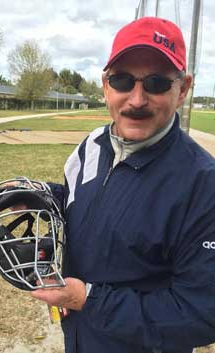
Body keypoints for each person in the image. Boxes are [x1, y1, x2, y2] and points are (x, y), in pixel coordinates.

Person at [31, 17, 215, 353]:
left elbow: (201, 313)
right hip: (79, 340)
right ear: (105, 86)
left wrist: (89, 299)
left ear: (183, 88)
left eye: (157, 83)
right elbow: (84, 199)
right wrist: (42, 197)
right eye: (122, 80)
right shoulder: (91, 144)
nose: (137, 99)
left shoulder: (204, 185)